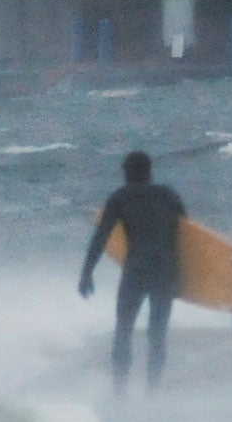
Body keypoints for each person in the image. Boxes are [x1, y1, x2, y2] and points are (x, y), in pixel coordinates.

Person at [78, 150, 185, 390]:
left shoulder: (120, 197)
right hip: (164, 271)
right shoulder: (168, 195)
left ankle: (119, 389)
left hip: (136, 271)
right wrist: (183, 278)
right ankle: (153, 390)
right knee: (157, 334)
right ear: (149, 172)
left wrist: (87, 273)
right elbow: (187, 235)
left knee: (123, 329)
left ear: (127, 172)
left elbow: (101, 236)